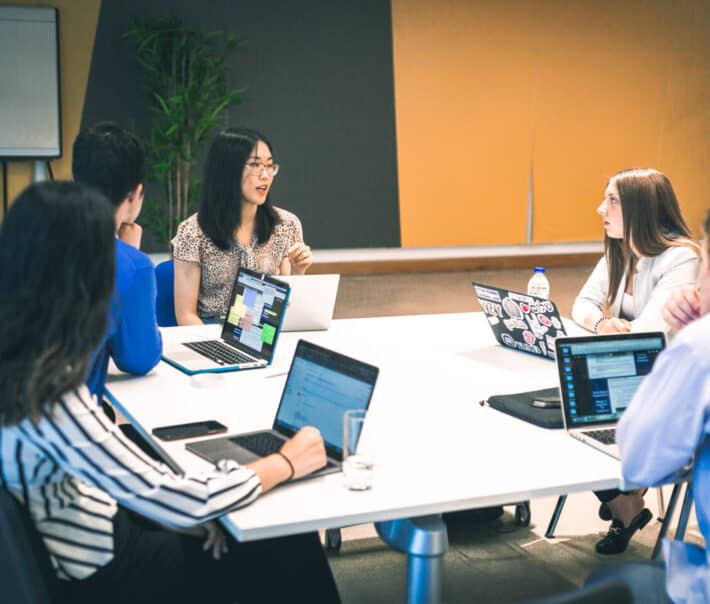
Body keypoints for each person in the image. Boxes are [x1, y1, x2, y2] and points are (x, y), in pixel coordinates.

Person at [0, 181, 340, 604]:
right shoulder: (51, 400)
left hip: (89, 538)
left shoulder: (21, 366)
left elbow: (133, 485)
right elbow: (192, 501)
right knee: (286, 537)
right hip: (111, 577)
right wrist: (286, 461)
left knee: (234, 520)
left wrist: (179, 514)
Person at [577, 209, 710, 602]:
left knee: (603, 586)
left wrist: (692, 336)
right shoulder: (618, 254)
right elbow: (584, 303)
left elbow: (640, 461)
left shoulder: (701, 347)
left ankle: (625, 510)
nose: (600, 209)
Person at [172, 127, 313, 325]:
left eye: (270, 166)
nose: (265, 175)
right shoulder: (193, 232)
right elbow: (186, 315)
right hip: (213, 332)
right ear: (228, 170)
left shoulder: (286, 225)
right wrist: (218, 347)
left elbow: (287, 307)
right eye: (256, 165)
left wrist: (299, 271)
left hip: (264, 331)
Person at [72, 122, 162, 397]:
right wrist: (129, 255)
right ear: (135, 194)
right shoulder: (129, 265)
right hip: (66, 422)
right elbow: (138, 359)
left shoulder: (28, 236)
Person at [572, 167, 699, 336]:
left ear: (641, 209)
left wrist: (611, 330)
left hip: (672, 358)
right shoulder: (620, 250)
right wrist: (602, 325)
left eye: (613, 200)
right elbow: (583, 303)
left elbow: (650, 331)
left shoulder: (683, 258)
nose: (601, 209)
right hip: (635, 354)